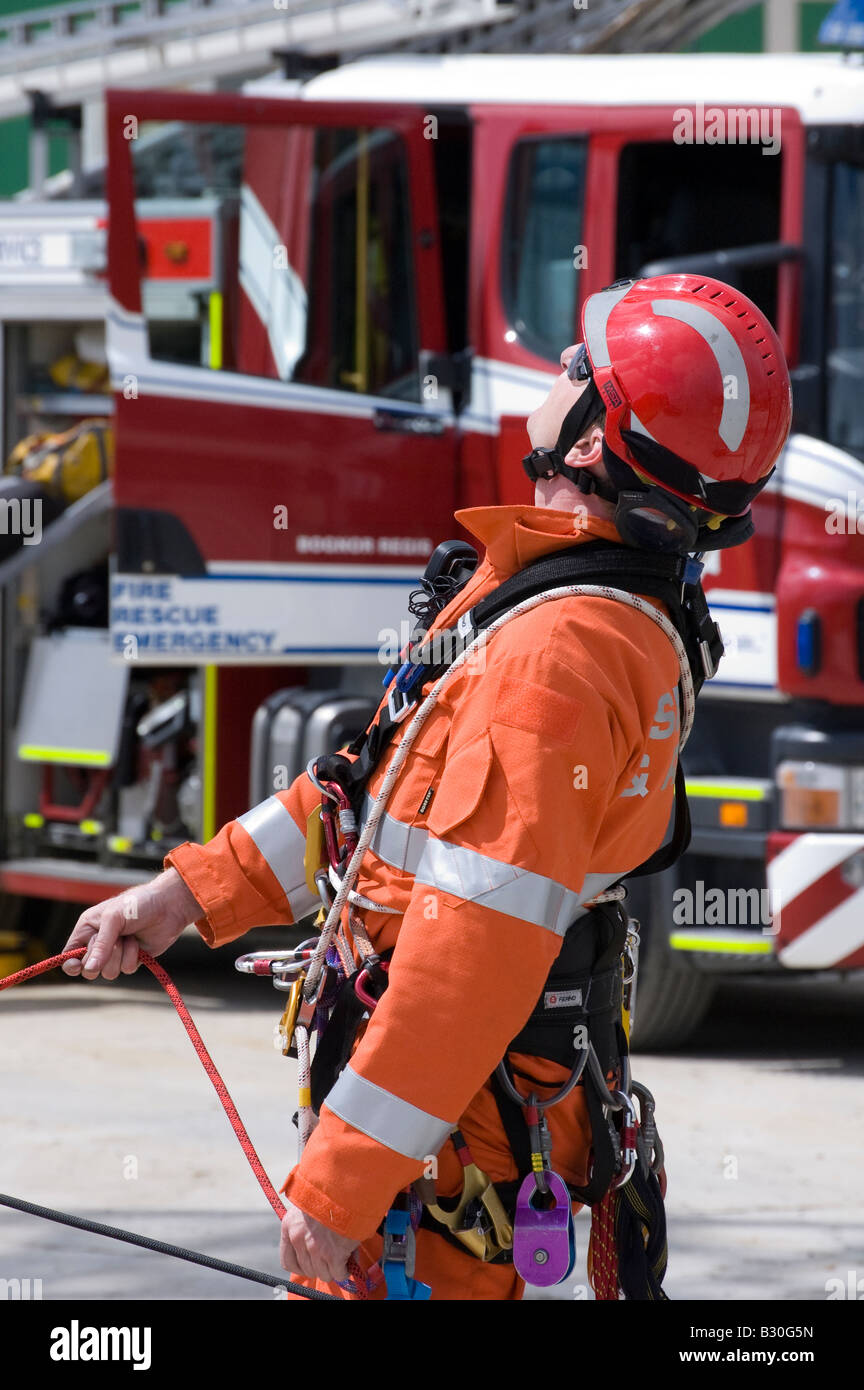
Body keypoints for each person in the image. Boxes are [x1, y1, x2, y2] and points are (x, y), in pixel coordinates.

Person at [63, 275, 792, 1300]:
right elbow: (367, 798)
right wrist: (182, 897)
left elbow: (472, 955)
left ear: (591, 443)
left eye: (583, 370)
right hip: (462, 1124)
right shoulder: (569, 594)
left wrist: (339, 1186)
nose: (561, 371)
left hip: (447, 1158)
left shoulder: (557, 658)